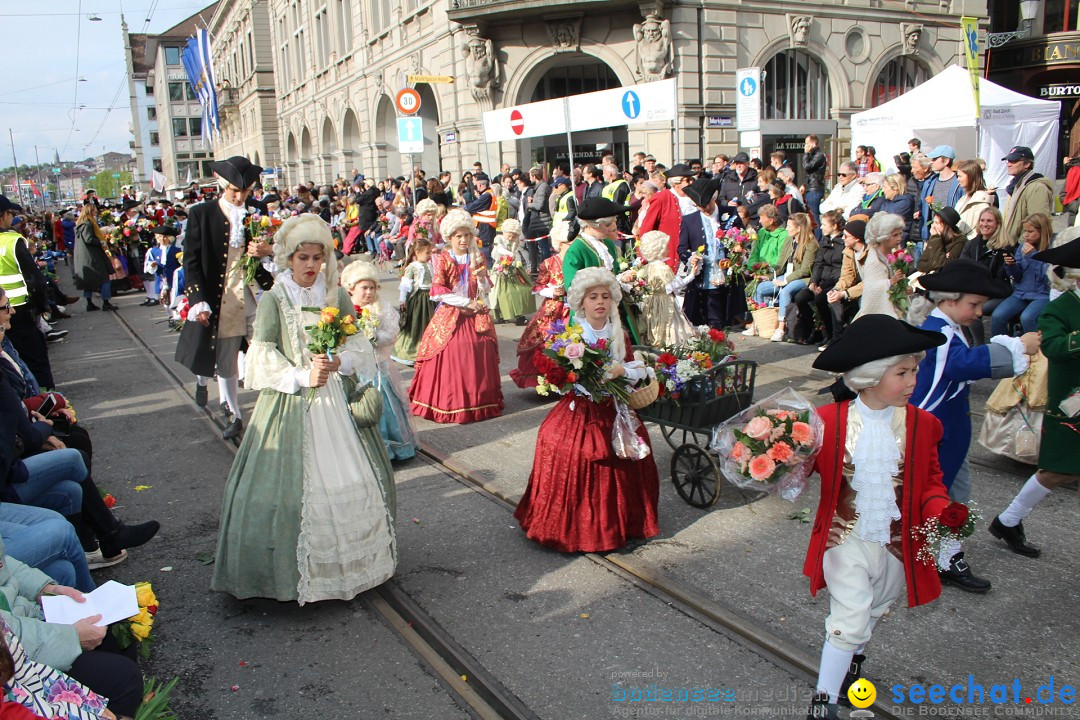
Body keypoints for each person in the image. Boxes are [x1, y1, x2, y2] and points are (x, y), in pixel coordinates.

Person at [212, 214, 396, 604]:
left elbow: (358, 348)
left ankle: (357, 565)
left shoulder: (336, 295)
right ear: (288, 260)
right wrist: (300, 376)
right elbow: (260, 359)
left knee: (356, 477)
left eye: (318, 258)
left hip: (336, 401)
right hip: (290, 402)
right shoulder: (275, 300)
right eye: (303, 258)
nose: (312, 266)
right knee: (288, 493)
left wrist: (337, 364)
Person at [804, 314, 954, 720]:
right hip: (843, 538)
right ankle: (823, 703)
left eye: (915, 370)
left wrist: (941, 509)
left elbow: (932, 482)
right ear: (870, 376)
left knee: (872, 613)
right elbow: (799, 469)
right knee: (849, 618)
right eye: (902, 372)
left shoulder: (924, 425)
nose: (913, 381)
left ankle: (852, 670)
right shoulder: (826, 423)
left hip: (894, 543)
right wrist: (770, 457)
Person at [906, 259, 1037, 594]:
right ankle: (923, 558)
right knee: (936, 498)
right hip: (937, 436)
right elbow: (962, 365)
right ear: (949, 300)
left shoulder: (947, 328)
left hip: (949, 434)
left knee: (954, 497)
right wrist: (1017, 346)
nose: (980, 312)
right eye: (974, 305)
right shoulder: (938, 333)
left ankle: (948, 557)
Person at [514, 267, 659, 552]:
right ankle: (571, 527)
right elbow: (563, 376)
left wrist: (621, 371)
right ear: (582, 301)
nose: (600, 302)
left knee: (628, 451)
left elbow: (634, 368)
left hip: (614, 406)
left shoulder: (620, 335)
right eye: (593, 297)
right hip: (583, 406)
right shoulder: (573, 335)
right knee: (560, 443)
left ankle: (622, 524)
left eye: (605, 296)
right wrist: (575, 378)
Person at [988, 237, 1080, 557]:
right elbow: (1053, 347)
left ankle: (1007, 520)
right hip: (1072, 404)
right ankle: (1008, 519)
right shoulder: (1059, 309)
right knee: (1059, 470)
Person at [175, 157, 275, 441]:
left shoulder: (257, 211)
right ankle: (234, 412)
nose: (239, 196)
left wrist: (267, 250)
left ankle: (275, 406)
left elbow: (275, 247)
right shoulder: (202, 213)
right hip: (223, 296)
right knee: (226, 356)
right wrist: (198, 299)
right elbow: (191, 261)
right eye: (234, 190)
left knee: (269, 346)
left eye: (244, 191)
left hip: (255, 291)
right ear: (222, 185)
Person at [409, 210, 504, 424]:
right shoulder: (443, 258)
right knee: (453, 349)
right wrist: (465, 302)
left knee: (480, 348)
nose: (463, 240)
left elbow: (486, 288)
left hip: (475, 312)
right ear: (449, 238)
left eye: (466, 235)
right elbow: (437, 291)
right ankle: (449, 402)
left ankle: (479, 401)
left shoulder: (477, 257)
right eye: (458, 236)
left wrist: (481, 280)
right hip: (451, 313)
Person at [341, 261, 417, 462]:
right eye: (364, 288)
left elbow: (392, 333)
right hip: (354, 368)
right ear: (351, 289)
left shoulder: (381, 308)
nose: (368, 292)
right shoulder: (344, 309)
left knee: (385, 406)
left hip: (377, 366)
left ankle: (390, 446)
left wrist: (374, 335)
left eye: (372, 287)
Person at [562, 197, 641, 342]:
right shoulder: (576, 250)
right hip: (590, 313)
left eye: (613, 222)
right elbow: (572, 286)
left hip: (613, 307)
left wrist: (622, 279)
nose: (613, 227)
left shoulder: (608, 245)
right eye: (608, 224)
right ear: (592, 225)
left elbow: (614, 272)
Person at [0, 198, 54, 393]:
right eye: (12, 215)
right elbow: (34, 278)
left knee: (9, 361)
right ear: (4, 214)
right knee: (35, 359)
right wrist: (42, 306)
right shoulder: (12, 240)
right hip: (19, 310)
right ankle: (49, 402)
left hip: (2, 311)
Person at [510, 222, 571, 389]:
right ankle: (545, 380)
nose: (572, 244)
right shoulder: (549, 263)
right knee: (543, 339)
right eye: (568, 241)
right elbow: (537, 287)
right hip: (553, 309)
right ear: (560, 243)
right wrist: (552, 291)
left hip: (573, 308)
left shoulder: (577, 261)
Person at [679, 178, 743, 330]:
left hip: (727, 277)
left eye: (707, 204)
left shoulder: (730, 214)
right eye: (700, 206)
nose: (704, 209)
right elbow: (682, 249)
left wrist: (737, 250)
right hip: (703, 280)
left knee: (725, 321)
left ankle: (722, 348)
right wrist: (691, 258)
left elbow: (742, 238)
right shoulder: (689, 220)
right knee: (708, 322)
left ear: (714, 197)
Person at [753, 213, 816, 342]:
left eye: (789, 226)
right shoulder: (789, 240)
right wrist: (769, 275)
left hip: (802, 278)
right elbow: (781, 264)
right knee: (760, 288)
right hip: (785, 275)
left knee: (786, 292)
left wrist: (785, 281)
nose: (786, 229)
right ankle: (761, 324)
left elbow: (805, 270)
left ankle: (781, 328)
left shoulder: (811, 244)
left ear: (798, 228)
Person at [991, 212, 1052, 336]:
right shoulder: (1023, 246)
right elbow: (1017, 276)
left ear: (1042, 231)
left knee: (1027, 318)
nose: (1026, 235)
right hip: (1021, 292)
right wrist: (1011, 265)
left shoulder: (1052, 247)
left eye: (1030, 232)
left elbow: (1047, 277)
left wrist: (1033, 256)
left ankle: (1035, 352)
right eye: (1025, 231)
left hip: (1043, 294)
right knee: (997, 316)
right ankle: (1001, 347)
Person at [960, 207, 1013, 345]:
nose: (984, 224)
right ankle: (969, 344)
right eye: (982, 220)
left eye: (989, 221)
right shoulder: (972, 244)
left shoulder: (1005, 247)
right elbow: (963, 267)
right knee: (959, 305)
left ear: (997, 224)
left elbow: (1001, 277)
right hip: (975, 290)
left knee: (971, 310)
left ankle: (979, 346)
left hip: (996, 293)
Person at [638, 230, 698, 346]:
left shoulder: (646, 267)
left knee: (655, 325)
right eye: (666, 247)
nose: (668, 249)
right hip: (663, 301)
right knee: (669, 326)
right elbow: (672, 287)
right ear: (659, 249)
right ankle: (670, 348)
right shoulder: (662, 267)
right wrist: (691, 276)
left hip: (651, 301)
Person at [794, 210, 845, 345]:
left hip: (834, 281)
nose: (821, 227)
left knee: (820, 298)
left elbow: (839, 269)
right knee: (801, 298)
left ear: (834, 226)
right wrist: (813, 281)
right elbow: (818, 263)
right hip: (821, 280)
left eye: (824, 224)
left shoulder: (842, 243)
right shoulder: (825, 240)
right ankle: (811, 330)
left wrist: (822, 286)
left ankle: (830, 333)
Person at [391, 238, 436, 366]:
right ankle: (412, 352)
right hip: (418, 300)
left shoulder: (429, 265)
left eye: (430, 252)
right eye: (427, 253)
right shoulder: (412, 267)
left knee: (429, 325)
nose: (429, 255)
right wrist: (402, 299)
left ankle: (429, 350)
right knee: (416, 325)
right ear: (417, 252)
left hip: (430, 299)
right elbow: (405, 285)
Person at [854, 213, 905, 320]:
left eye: (900, 234)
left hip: (896, 305)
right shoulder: (873, 260)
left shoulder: (895, 252)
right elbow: (871, 289)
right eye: (895, 235)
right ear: (884, 237)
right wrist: (890, 282)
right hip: (879, 313)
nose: (899, 238)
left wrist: (904, 288)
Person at [1001, 146, 1054, 246]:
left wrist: (1020, 245)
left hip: (1026, 248)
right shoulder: (1016, 186)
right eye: (1008, 161)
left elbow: (1038, 223)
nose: (1009, 164)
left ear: (1027, 164)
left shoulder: (1036, 187)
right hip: (1013, 245)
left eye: (1014, 161)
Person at [490, 219, 534, 325]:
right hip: (500, 269)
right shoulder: (498, 239)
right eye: (509, 235)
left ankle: (519, 315)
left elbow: (517, 254)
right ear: (504, 232)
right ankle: (500, 315)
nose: (511, 238)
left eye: (513, 236)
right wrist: (509, 253)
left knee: (518, 291)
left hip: (513, 268)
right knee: (499, 293)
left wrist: (520, 264)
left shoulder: (515, 243)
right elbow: (499, 249)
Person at [919, 146, 962, 242]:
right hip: (932, 235)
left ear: (946, 161)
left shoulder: (959, 183)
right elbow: (923, 207)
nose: (931, 162)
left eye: (935, 159)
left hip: (951, 236)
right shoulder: (930, 182)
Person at [916, 206, 967, 275]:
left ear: (946, 226)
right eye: (933, 222)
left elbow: (943, 266)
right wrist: (936, 263)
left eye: (936, 223)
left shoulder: (960, 241)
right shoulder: (935, 238)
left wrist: (936, 238)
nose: (933, 226)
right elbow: (920, 264)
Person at [142, 224, 182, 309]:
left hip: (174, 279)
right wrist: (152, 266)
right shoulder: (153, 251)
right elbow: (148, 268)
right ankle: (170, 316)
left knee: (175, 300)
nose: (163, 239)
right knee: (165, 300)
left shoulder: (177, 250)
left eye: (165, 237)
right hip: (161, 280)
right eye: (160, 237)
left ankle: (175, 317)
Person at [954, 160, 993, 241]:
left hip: (969, 245)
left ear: (970, 176)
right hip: (959, 243)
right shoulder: (963, 198)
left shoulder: (982, 202)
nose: (958, 179)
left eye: (960, 176)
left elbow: (981, 229)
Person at [801, 136, 826, 224]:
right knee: (810, 215)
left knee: (814, 216)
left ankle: (818, 237)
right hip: (810, 187)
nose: (805, 146)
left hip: (815, 188)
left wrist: (806, 154)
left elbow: (807, 166)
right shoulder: (813, 155)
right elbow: (809, 172)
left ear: (813, 143)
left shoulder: (819, 155)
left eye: (807, 143)